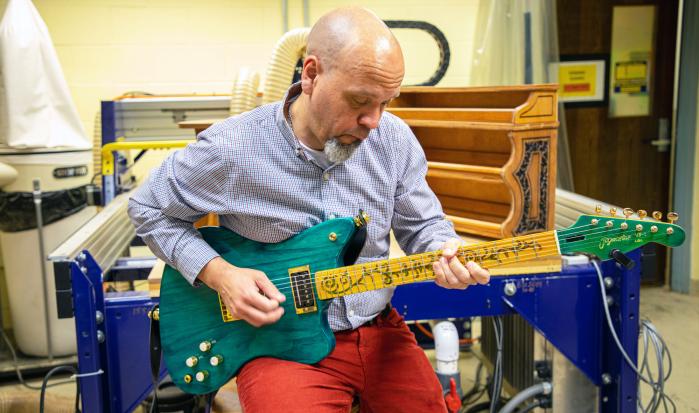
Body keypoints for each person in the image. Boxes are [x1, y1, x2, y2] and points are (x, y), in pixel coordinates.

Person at [128, 6, 490, 413]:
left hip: (378, 330)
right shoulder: (234, 149)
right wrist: (220, 274)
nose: (373, 121)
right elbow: (148, 207)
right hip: (279, 342)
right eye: (360, 100)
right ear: (311, 74)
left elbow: (423, 225)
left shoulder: (393, 140)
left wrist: (444, 248)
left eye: (386, 102)